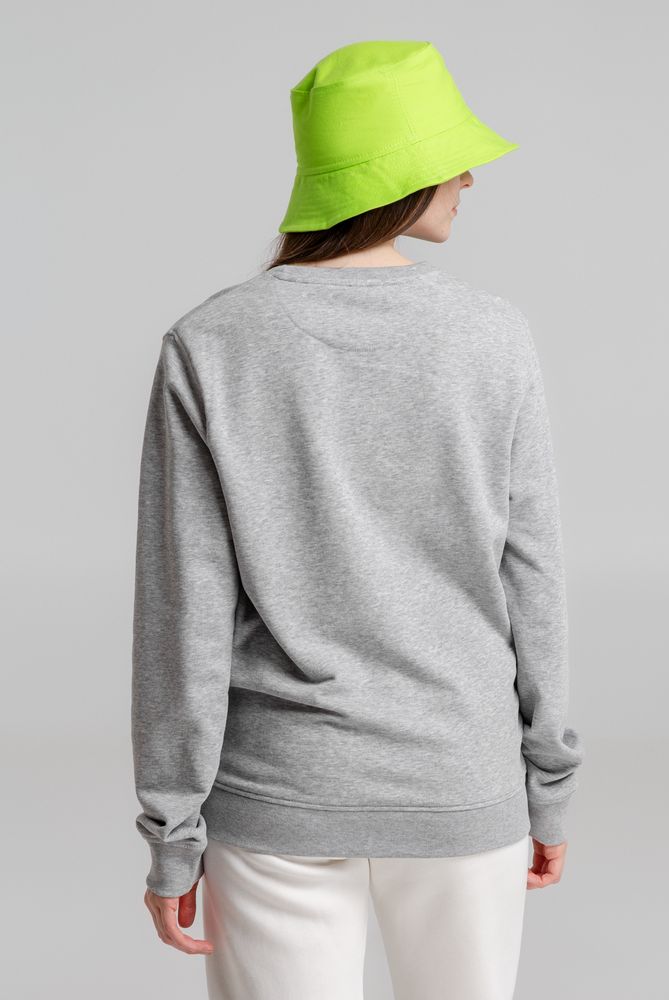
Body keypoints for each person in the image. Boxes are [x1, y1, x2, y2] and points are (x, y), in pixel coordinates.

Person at [131, 39, 585, 1000]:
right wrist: (548, 782)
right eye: (450, 157)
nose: (469, 177)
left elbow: (184, 614)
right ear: (396, 175)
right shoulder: (493, 336)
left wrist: (174, 833)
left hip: (278, 794)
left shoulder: (211, 344)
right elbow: (534, 574)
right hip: (458, 783)